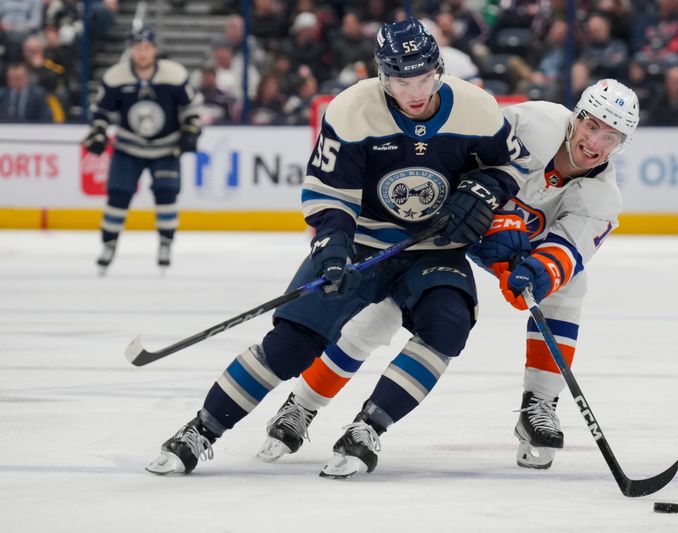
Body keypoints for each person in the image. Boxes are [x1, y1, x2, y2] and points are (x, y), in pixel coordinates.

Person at [145, 17, 529, 477]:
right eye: (401, 80)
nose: (414, 91)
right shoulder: (351, 110)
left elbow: (512, 166)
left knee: (448, 325)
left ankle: (369, 427)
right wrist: (332, 250)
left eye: (423, 77)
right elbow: (329, 195)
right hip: (363, 241)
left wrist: (483, 191)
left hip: (434, 246)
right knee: (291, 344)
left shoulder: (477, 108)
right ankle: (201, 429)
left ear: (438, 69)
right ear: (383, 75)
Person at [259, 78, 639, 473]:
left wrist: (536, 275)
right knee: (375, 322)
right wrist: (493, 218)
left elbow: (566, 253)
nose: (595, 142)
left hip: (515, 252)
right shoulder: (534, 122)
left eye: (611, 136)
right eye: (592, 126)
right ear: (576, 117)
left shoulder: (604, 200)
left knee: (570, 287)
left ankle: (539, 405)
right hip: (446, 228)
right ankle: (302, 404)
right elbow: (467, 155)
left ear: (622, 145)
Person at [83, 26, 202, 274]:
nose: (142, 53)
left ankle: (166, 243)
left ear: (155, 50)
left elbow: (191, 109)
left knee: (166, 193)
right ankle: (109, 244)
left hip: (166, 148)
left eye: (147, 47)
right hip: (128, 147)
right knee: (118, 196)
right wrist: (97, 132)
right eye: (138, 48)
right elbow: (101, 113)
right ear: (131, 50)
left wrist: (190, 129)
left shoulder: (174, 75)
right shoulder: (116, 76)